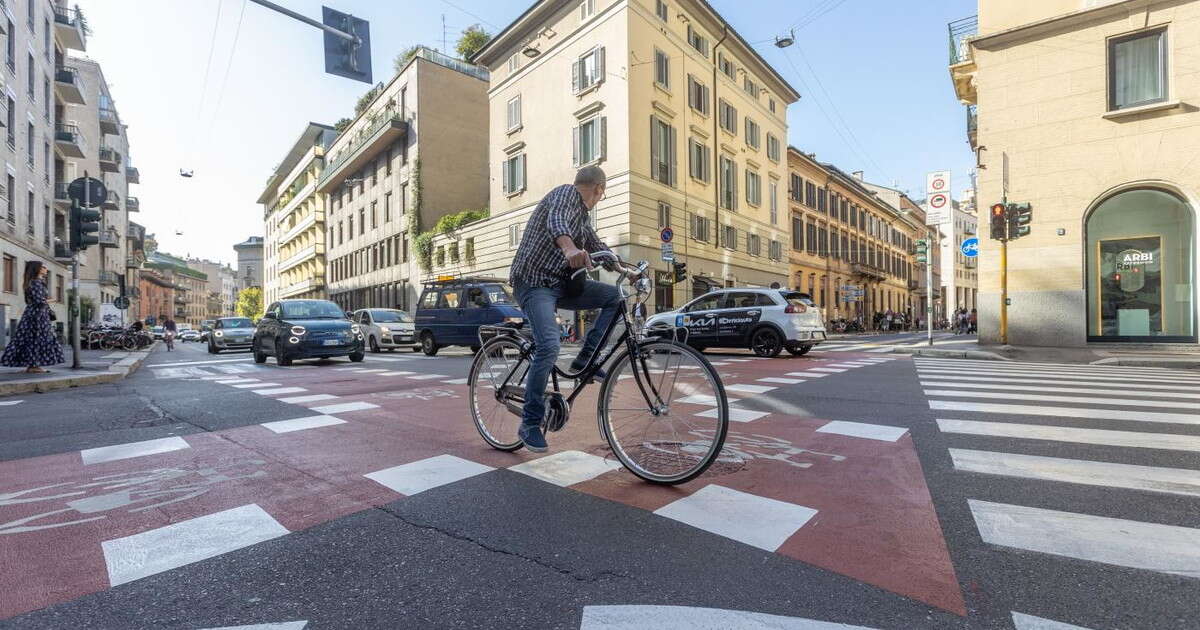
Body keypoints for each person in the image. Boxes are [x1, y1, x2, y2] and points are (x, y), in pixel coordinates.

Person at [509, 165, 618, 453]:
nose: (599, 199)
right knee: (549, 345)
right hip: (533, 282)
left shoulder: (582, 218)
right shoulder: (564, 196)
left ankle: (585, 360)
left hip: (560, 285)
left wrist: (624, 269)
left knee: (616, 298)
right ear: (598, 190)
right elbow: (557, 223)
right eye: (601, 195)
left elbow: (597, 245)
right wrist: (569, 249)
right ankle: (530, 422)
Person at [1, 261, 64, 373]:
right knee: (37, 338)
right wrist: (52, 300)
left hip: (35, 314)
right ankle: (34, 366)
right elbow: (38, 301)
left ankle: (32, 366)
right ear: (37, 269)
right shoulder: (35, 283)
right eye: (43, 267)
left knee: (31, 339)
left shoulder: (36, 282)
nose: (46, 269)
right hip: (37, 315)